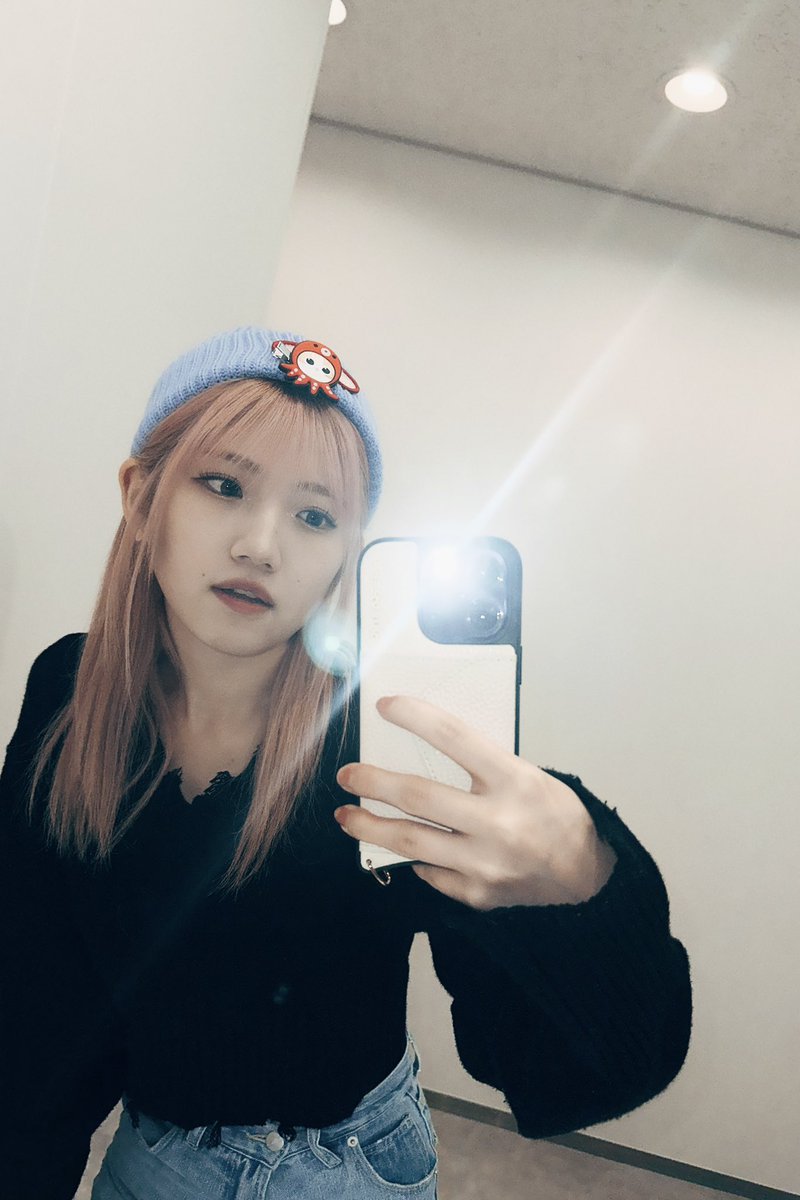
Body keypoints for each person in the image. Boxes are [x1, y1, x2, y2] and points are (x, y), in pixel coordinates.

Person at [0, 326, 692, 1200]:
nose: (262, 546)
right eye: (224, 485)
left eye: (315, 516)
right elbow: (38, 998)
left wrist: (581, 887)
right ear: (141, 499)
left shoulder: (381, 746)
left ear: (344, 555)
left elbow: (582, 1072)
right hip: (151, 1154)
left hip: (345, 1169)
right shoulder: (69, 692)